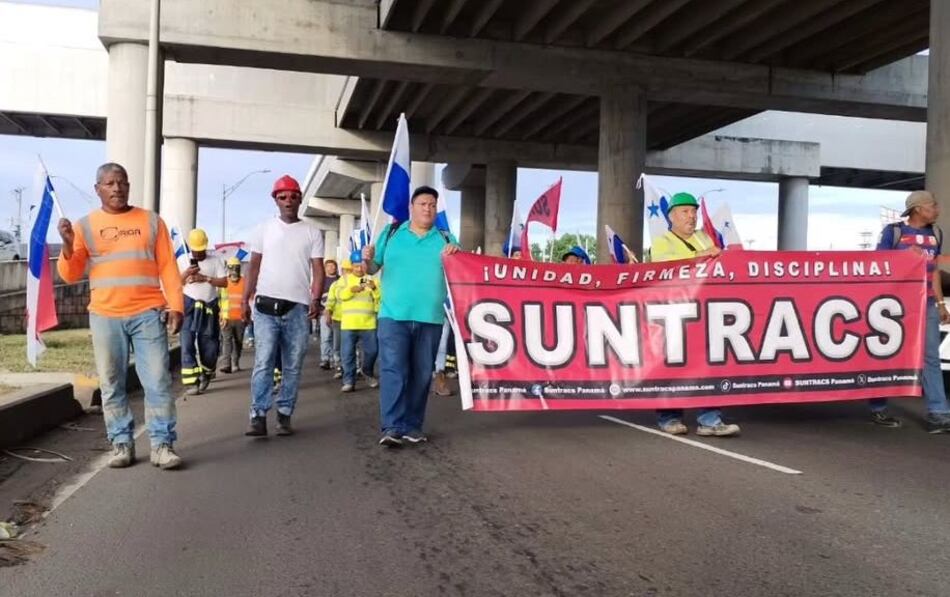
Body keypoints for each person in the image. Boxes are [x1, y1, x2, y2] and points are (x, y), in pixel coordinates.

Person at [56, 162, 184, 469]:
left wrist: (176, 305)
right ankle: (121, 443)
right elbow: (70, 275)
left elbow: (168, 266)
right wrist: (67, 244)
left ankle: (162, 444)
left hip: (148, 313)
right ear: (97, 188)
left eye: (122, 182)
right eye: (110, 183)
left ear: (128, 185)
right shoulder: (84, 226)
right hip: (105, 315)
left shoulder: (152, 222)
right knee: (111, 382)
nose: (117, 188)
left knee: (157, 381)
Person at [364, 185, 460, 447]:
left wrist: (457, 255)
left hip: (430, 318)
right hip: (393, 316)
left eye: (432, 205)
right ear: (412, 208)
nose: (427, 209)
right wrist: (367, 259)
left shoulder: (447, 238)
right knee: (394, 369)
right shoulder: (392, 232)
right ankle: (392, 426)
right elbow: (372, 268)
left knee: (421, 374)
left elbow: (462, 274)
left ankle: (413, 425)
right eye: (422, 204)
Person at [650, 192, 740, 438]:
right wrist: (698, 257)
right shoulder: (662, 241)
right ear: (672, 217)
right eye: (685, 212)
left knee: (708, 362)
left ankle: (709, 418)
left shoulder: (703, 237)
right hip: (674, 311)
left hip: (703, 310)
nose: (691, 216)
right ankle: (669, 416)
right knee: (673, 364)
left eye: (693, 211)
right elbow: (662, 264)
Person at [243, 175, 324, 437]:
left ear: (300, 198)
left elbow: (318, 269)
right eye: (282, 196)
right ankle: (258, 415)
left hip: (297, 308)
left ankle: (285, 413)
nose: (288, 201)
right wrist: (246, 299)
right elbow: (253, 266)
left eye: (292, 196)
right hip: (265, 306)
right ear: (275, 200)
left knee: (293, 364)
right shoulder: (263, 229)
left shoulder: (312, 232)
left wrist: (315, 298)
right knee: (264, 362)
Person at [869, 190, 950, 433]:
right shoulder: (894, 232)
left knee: (930, 358)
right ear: (918, 209)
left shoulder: (936, 233)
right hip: (895, 304)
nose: (937, 210)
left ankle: (939, 413)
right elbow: (878, 261)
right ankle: (877, 406)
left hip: (925, 304)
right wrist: (905, 255)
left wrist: (940, 303)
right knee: (888, 354)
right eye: (932, 206)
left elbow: (934, 270)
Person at [180, 228, 227, 395]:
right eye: (195, 250)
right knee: (186, 342)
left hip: (209, 306)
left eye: (201, 250)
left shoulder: (216, 261)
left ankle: (207, 372)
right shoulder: (183, 260)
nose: (198, 254)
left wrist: (205, 278)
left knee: (209, 344)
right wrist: (186, 274)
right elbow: (175, 283)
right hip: (189, 305)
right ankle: (192, 381)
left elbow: (224, 282)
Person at [338, 250, 381, 392]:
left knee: (373, 351)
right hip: (349, 324)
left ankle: (367, 371)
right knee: (347, 354)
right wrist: (351, 290)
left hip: (368, 323)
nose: (359, 268)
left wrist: (374, 289)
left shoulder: (372, 279)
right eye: (356, 265)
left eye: (361, 265)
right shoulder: (345, 280)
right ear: (351, 266)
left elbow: (380, 298)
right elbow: (341, 296)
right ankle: (349, 381)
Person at [218, 257, 246, 374]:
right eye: (232, 268)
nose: (234, 271)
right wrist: (220, 315)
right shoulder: (223, 283)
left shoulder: (245, 282)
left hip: (241, 318)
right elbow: (219, 300)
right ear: (228, 269)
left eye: (236, 268)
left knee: (238, 342)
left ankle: (235, 362)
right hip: (226, 318)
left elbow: (249, 299)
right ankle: (226, 364)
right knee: (226, 341)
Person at [324, 259, 349, 379]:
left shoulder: (361, 282)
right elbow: (330, 301)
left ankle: (355, 367)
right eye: (346, 270)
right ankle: (339, 366)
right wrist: (328, 313)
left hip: (353, 321)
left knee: (352, 346)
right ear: (342, 271)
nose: (348, 272)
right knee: (337, 345)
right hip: (338, 319)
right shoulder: (336, 285)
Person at [319, 259, 340, 370]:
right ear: (325, 268)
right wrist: (320, 310)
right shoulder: (321, 281)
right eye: (329, 266)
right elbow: (316, 296)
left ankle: (335, 360)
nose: (331, 268)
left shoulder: (340, 280)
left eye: (333, 266)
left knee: (336, 338)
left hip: (338, 313)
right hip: (324, 312)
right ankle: (325, 358)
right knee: (326, 337)